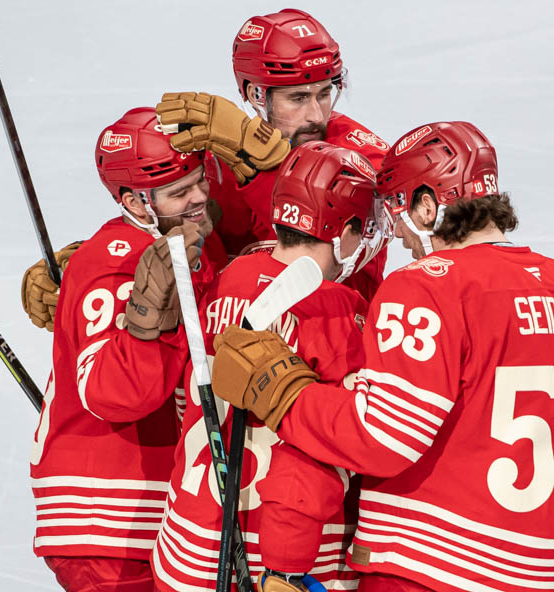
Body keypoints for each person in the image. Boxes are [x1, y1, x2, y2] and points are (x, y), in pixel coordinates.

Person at [209, 121, 554, 592]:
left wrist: (281, 391)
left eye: (399, 207)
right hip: (543, 569)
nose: (397, 233)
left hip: (434, 565)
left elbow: (380, 436)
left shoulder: (425, 286)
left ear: (428, 205)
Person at [92, 141, 390, 591]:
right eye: (366, 226)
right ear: (345, 230)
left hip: (185, 545)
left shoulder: (224, 279)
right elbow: (322, 450)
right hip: (274, 559)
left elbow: (183, 400)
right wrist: (285, 569)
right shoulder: (337, 314)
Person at [29, 107, 228, 591]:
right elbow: (112, 394)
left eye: (200, 181)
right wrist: (147, 326)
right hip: (108, 518)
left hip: (147, 512)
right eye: (180, 192)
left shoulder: (193, 245)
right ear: (136, 203)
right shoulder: (114, 260)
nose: (199, 197)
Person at [169, 7, 390, 301]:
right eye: (298, 98)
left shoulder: (362, 155)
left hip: (337, 319)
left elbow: (338, 259)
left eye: (324, 94)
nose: (316, 116)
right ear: (255, 94)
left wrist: (259, 174)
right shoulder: (218, 162)